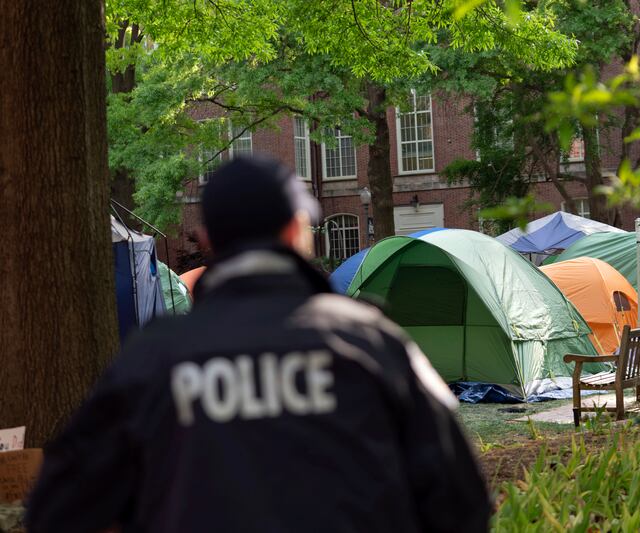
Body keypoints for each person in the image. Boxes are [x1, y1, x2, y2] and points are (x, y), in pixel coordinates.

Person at [26, 157, 490, 533]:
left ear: (207, 238)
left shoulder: (152, 359)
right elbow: (462, 501)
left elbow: (58, 508)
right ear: (295, 229)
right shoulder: (371, 343)